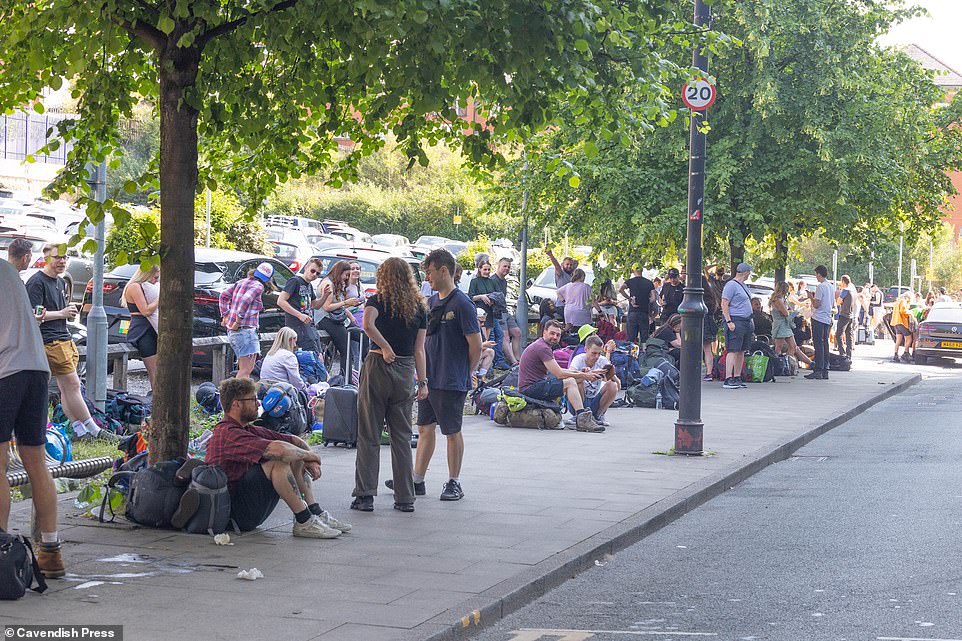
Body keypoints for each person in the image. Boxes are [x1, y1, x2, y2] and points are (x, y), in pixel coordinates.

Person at [204, 377, 350, 537]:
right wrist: (311, 455)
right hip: (232, 514)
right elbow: (279, 451)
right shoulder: (228, 433)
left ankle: (314, 511)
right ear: (236, 404)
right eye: (253, 400)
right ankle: (304, 521)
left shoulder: (246, 429)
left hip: (246, 507)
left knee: (293, 452)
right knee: (278, 462)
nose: (258, 404)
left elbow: (294, 440)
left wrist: (309, 459)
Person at [0, 259, 65, 578]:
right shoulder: (8, 270)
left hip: (5, 371)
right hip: (36, 368)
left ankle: (0, 551)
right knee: (35, 460)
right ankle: (51, 552)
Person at [353, 257, 427, 512]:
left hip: (377, 366)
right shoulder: (419, 307)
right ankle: (405, 498)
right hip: (406, 371)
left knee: (369, 433)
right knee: (402, 436)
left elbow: (367, 324)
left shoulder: (377, 301)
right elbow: (420, 350)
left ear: (383, 276)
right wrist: (423, 381)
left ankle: (365, 495)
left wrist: (384, 347)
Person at [27, 244, 118, 443]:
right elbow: (34, 315)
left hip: (64, 338)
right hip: (50, 341)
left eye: (65, 257)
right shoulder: (37, 282)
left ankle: (79, 430)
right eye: (57, 257)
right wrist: (62, 313)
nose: (61, 261)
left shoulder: (61, 282)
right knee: (73, 385)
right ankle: (94, 430)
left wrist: (66, 312)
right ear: (46, 257)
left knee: (66, 388)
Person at [413, 249, 482, 502]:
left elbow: (475, 344)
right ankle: (417, 480)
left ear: (444, 270)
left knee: (452, 431)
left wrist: (467, 371)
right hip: (429, 379)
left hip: (451, 378)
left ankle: (454, 481)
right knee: (424, 428)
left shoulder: (462, 304)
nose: (427, 278)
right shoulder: (430, 303)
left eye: (429, 272)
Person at [518, 320, 604, 432]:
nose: (555, 337)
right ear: (544, 332)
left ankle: (581, 415)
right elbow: (559, 374)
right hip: (529, 389)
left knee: (573, 379)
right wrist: (584, 375)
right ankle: (581, 418)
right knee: (570, 382)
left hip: (534, 385)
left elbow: (559, 370)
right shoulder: (542, 348)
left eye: (558, 335)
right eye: (552, 333)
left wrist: (581, 374)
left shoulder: (542, 345)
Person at [219, 262, 274, 379]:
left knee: (243, 368)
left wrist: (225, 316)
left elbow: (223, 296)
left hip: (234, 332)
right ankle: (236, 395)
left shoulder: (241, 282)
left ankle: (239, 394)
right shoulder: (259, 286)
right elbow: (245, 300)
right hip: (245, 331)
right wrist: (237, 321)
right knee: (246, 370)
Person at [316, 260, 364, 377]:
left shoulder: (338, 283)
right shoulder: (328, 284)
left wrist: (351, 306)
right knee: (345, 349)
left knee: (363, 336)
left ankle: (364, 372)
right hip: (326, 319)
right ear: (339, 272)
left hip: (339, 318)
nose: (347, 278)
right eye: (346, 275)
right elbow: (327, 307)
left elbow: (339, 305)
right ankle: (344, 378)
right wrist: (345, 302)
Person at [121, 265, 160, 390]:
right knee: (154, 371)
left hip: (152, 327)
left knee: (160, 369)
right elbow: (146, 311)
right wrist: (161, 297)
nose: (155, 281)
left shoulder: (146, 286)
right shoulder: (134, 286)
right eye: (155, 277)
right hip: (142, 330)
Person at [568, 335, 620, 426]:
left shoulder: (602, 361)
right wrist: (585, 375)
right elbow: (568, 377)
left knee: (613, 385)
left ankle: (598, 415)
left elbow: (618, 386)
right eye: (594, 353)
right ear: (586, 349)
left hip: (594, 400)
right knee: (577, 381)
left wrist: (612, 374)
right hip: (578, 400)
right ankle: (579, 414)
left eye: (599, 354)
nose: (596, 357)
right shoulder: (578, 359)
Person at [277, 258, 324, 353]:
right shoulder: (295, 281)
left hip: (309, 325)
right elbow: (281, 301)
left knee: (318, 354)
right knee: (311, 355)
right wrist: (299, 315)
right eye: (313, 271)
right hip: (296, 326)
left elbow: (316, 305)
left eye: (318, 273)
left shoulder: (309, 286)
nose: (314, 274)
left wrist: (325, 295)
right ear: (306, 268)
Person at [720, 263, 755, 389]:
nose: (749, 275)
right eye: (749, 272)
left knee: (741, 350)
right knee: (733, 350)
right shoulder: (731, 285)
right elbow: (724, 303)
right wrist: (729, 321)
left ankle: (737, 376)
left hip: (746, 321)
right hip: (736, 320)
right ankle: (728, 378)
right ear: (745, 272)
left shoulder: (743, 286)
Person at [469, 261, 509, 369]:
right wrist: (481, 296)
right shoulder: (475, 281)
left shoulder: (492, 282)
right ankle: (484, 366)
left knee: (491, 337)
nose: (487, 272)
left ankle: (489, 365)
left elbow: (498, 295)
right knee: (484, 339)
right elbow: (471, 297)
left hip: (490, 313)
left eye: (488, 270)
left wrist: (492, 299)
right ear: (479, 269)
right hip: (479, 313)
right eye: (484, 269)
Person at [769, 282, 814, 368]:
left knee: (793, 346)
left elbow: (788, 310)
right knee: (778, 347)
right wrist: (793, 313)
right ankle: (778, 365)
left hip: (785, 325)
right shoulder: (777, 299)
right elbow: (785, 313)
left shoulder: (782, 299)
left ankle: (788, 364)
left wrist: (793, 311)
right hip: (780, 325)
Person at [805, 265, 835, 380]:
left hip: (818, 318)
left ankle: (818, 369)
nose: (816, 277)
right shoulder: (831, 287)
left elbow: (817, 304)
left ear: (819, 274)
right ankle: (825, 369)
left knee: (818, 344)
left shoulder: (821, 287)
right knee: (825, 344)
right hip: (827, 318)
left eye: (816, 275)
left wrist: (810, 297)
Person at [491, 257, 521, 364]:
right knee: (505, 336)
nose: (507, 269)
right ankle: (512, 361)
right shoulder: (492, 280)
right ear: (498, 266)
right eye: (504, 266)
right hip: (497, 312)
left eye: (508, 267)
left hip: (505, 311)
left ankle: (518, 359)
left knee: (517, 332)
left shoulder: (504, 281)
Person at [259, 327, 308, 391]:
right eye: (294, 342)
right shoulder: (289, 356)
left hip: (265, 387)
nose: (295, 345)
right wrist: (306, 389)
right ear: (290, 340)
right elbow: (295, 381)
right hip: (281, 389)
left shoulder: (270, 353)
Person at [620, 263, 656, 345]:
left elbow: (621, 289)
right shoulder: (649, 283)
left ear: (633, 271)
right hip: (644, 313)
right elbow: (654, 298)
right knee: (644, 339)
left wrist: (629, 299)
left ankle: (632, 355)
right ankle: (644, 354)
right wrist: (646, 301)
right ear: (642, 270)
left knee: (631, 339)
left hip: (633, 312)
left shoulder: (630, 281)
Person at [701, 274, 720, 382]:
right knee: (708, 349)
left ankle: (693, 370)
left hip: (699, 322)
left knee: (693, 348)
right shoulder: (711, 296)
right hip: (709, 321)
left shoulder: (697, 296)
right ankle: (709, 372)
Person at [834, 275, 855, 359]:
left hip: (844, 315)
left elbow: (838, 302)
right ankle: (849, 355)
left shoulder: (845, 290)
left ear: (843, 282)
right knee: (848, 335)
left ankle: (842, 353)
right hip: (851, 316)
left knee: (838, 334)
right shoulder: (853, 291)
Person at [891, 291, 914, 363]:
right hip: (902, 322)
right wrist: (910, 312)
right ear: (908, 297)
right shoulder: (903, 301)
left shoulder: (897, 301)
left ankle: (895, 354)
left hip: (895, 322)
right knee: (909, 338)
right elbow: (903, 311)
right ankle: (905, 353)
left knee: (898, 339)